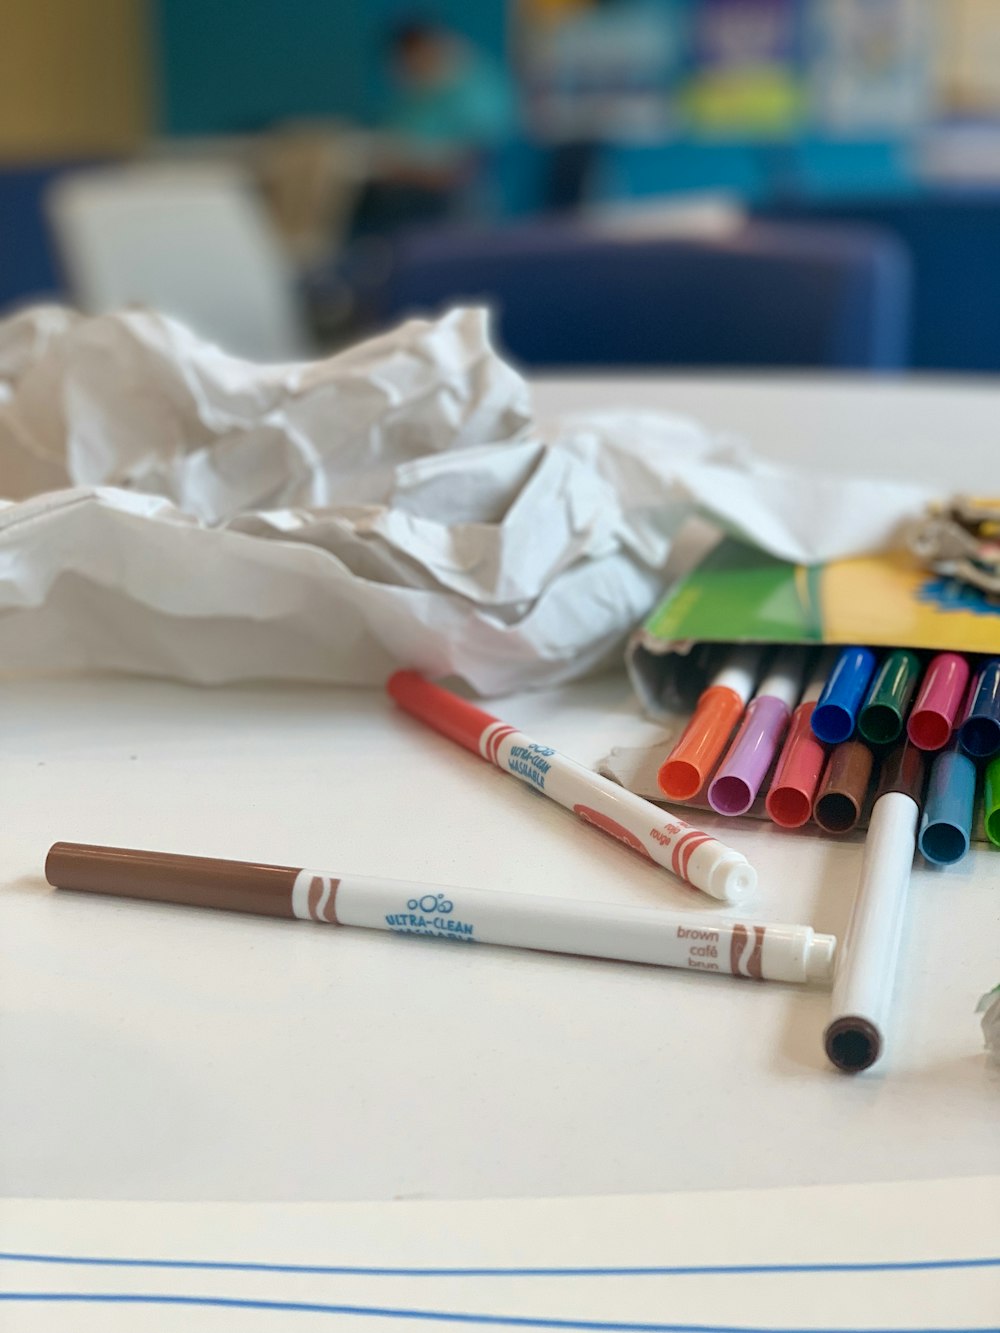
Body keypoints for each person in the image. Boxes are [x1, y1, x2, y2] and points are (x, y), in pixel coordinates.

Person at [352, 18, 516, 236]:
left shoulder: (475, 89)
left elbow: (463, 170)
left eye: (411, 57)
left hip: (451, 205)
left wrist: (401, 169)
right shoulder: (415, 93)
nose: (406, 67)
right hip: (404, 197)